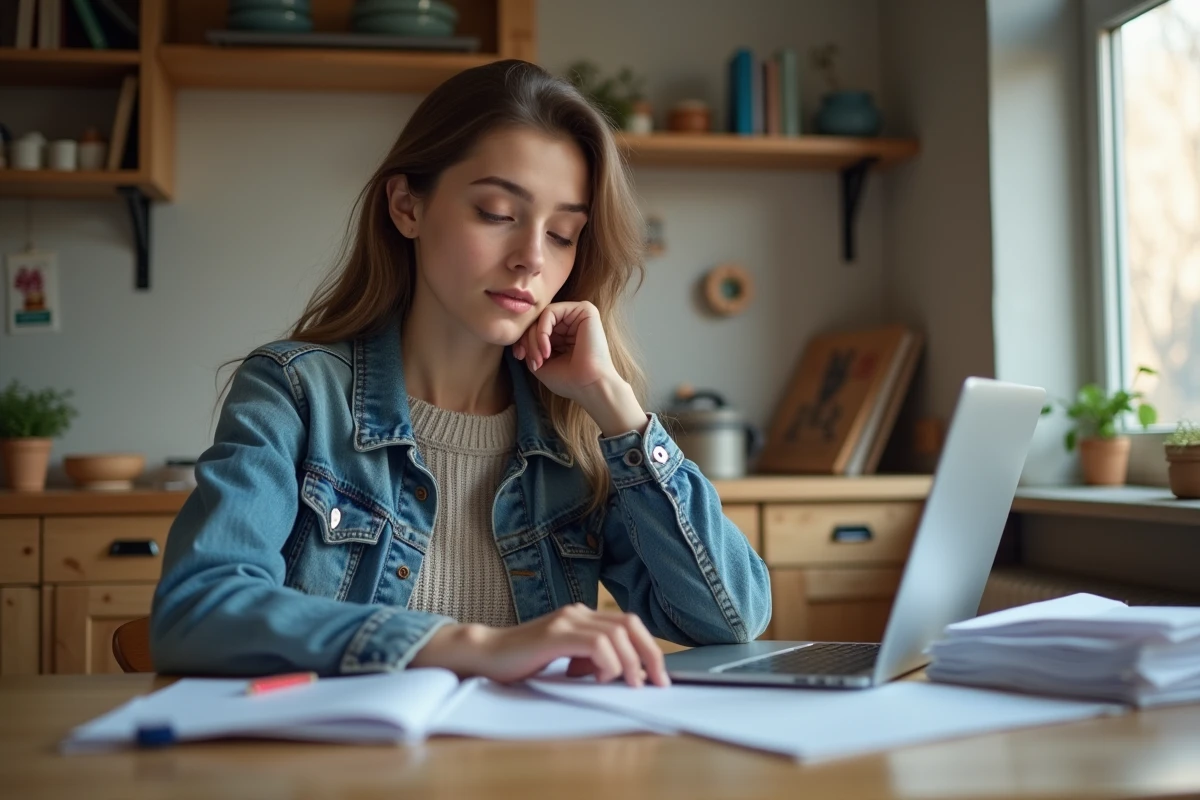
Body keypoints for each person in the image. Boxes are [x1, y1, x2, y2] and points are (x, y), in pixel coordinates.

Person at [150, 59, 771, 688]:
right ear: (406, 207)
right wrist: (461, 645)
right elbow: (197, 610)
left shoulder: (574, 436)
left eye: (562, 233)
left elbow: (731, 620)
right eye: (498, 213)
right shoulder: (295, 393)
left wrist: (615, 407)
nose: (532, 257)